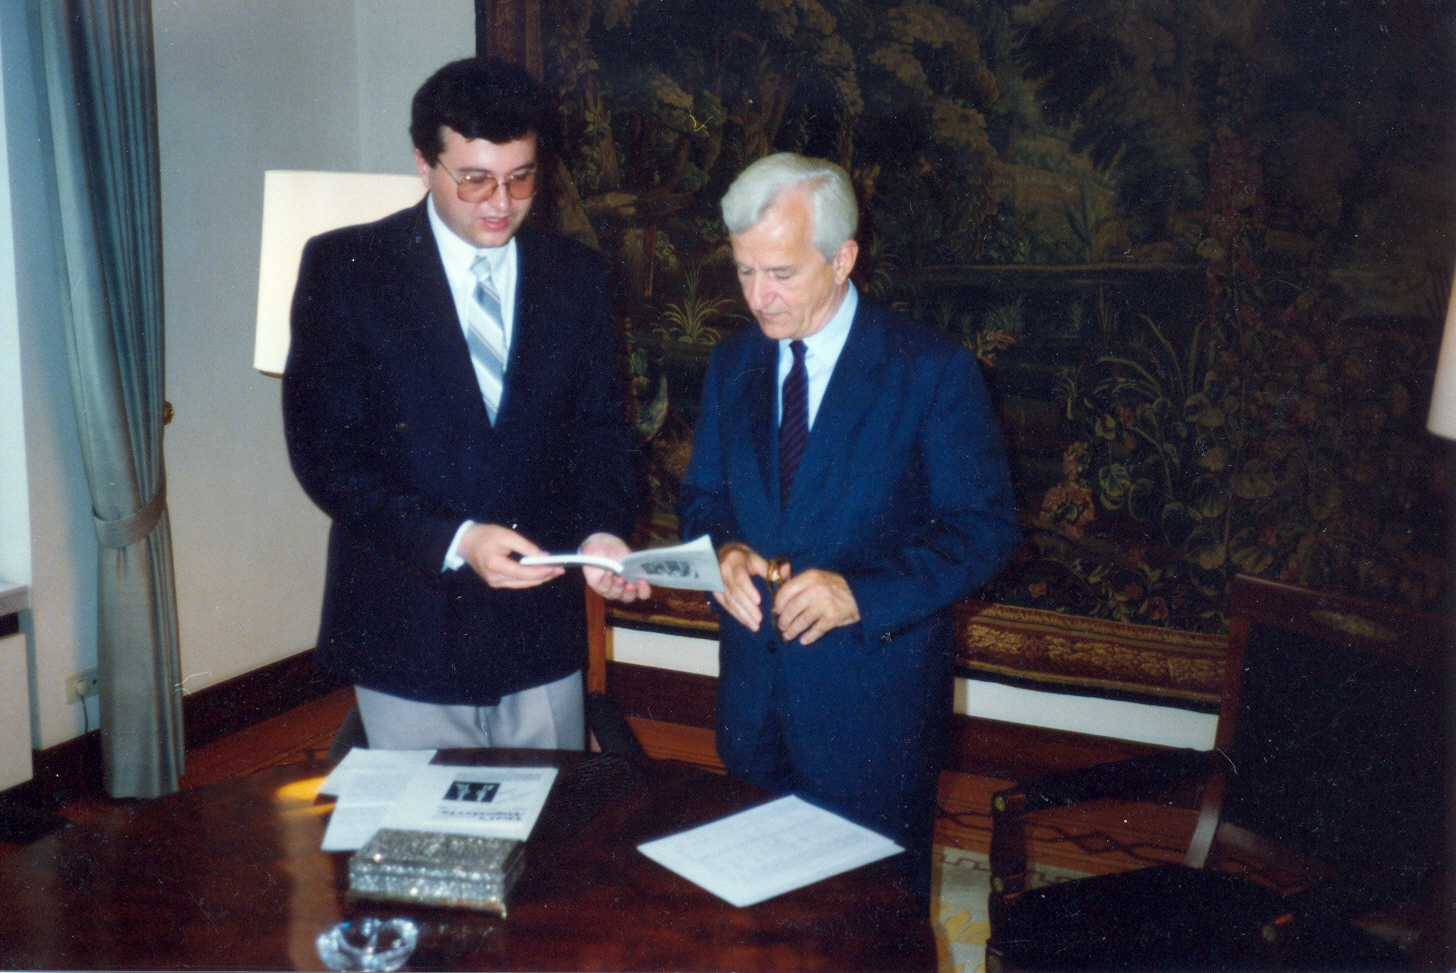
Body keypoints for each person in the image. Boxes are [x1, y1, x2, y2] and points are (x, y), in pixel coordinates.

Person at [679, 152, 1020, 903]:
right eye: (743, 272)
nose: (758, 299)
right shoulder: (731, 363)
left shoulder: (931, 371)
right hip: (751, 703)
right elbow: (702, 497)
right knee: (753, 925)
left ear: (844, 260)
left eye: (782, 273)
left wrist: (859, 592)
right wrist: (725, 551)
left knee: (870, 928)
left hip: (873, 717)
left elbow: (986, 530)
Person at [284, 57, 647, 753]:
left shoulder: (579, 278)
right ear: (423, 164)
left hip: (539, 627)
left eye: (521, 177)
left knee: (551, 834)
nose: (500, 203)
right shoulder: (346, 268)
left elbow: (604, 434)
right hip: (406, 620)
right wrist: (456, 540)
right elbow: (326, 455)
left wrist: (603, 528)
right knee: (420, 847)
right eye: (475, 179)